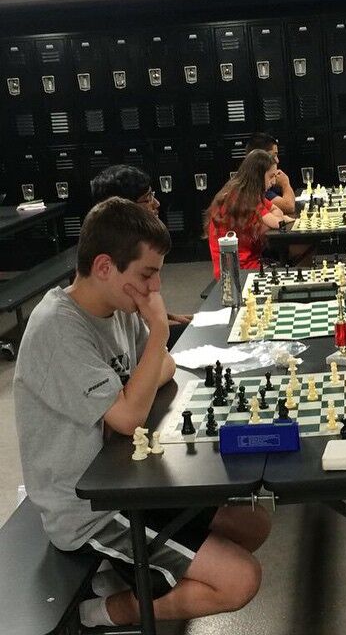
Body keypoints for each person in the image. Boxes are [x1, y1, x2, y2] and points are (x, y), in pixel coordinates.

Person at [13, 198, 271, 627]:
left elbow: (163, 369)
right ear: (104, 267)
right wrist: (158, 333)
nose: (155, 288)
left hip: (129, 477)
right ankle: (99, 614)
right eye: (147, 274)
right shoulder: (58, 328)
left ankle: (135, 575)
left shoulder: (117, 308)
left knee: (253, 523)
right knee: (240, 580)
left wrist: (143, 375)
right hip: (88, 508)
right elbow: (130, 415)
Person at [90, 164, 192, 349]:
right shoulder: (115, 260)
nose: (156, 203)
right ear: (125, 208)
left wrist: (165, 316)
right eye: (148, 198)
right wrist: (160, 326)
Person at [205, 149, 294, 279]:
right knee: (289, 269)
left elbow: (277, 211)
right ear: (258, 175)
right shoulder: (244, 197)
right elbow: (278, 222)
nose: (274, 182)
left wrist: (275, 219)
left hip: (242, 264)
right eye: (271, 176)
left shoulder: (245, 192)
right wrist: (282, 219)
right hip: (236, 271)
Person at [245, 132, 296, 214]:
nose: (277, 160)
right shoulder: (255, 185)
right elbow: (289, 207)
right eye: (274, 155)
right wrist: (285, 184)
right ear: (261, 157)